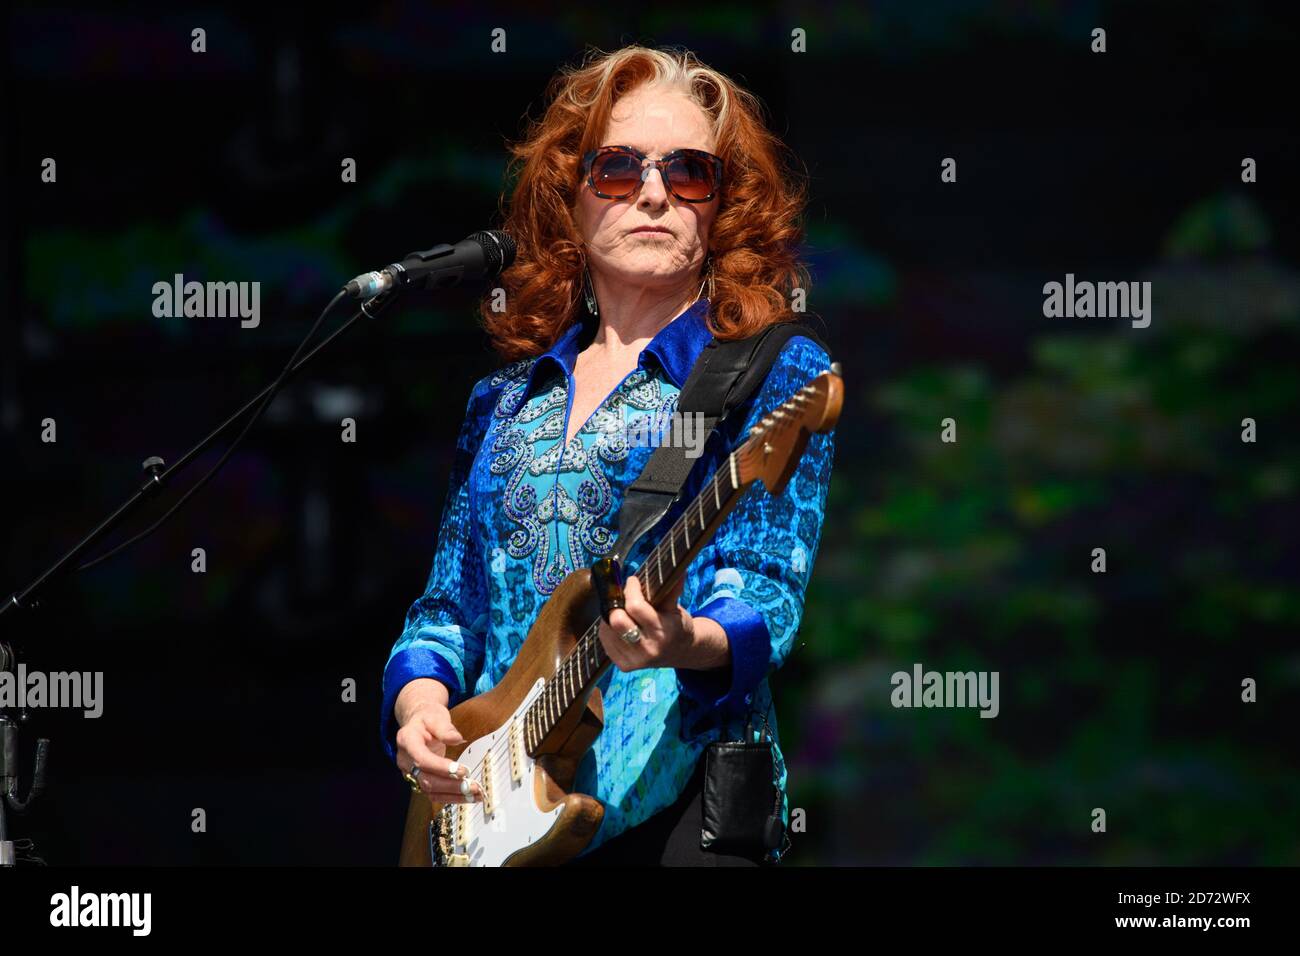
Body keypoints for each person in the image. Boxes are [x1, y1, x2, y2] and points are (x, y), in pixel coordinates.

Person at [380, 44, 835, 865]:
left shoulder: (767, 370)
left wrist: (683, 638)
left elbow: (761, 589)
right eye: (619, 169)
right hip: (498, 822)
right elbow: (447, 611)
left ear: (723, 205)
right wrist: (419, 709)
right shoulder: (503, 401)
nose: (654, 193)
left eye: (690, 172)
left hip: (675, 813)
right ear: (571, 197)